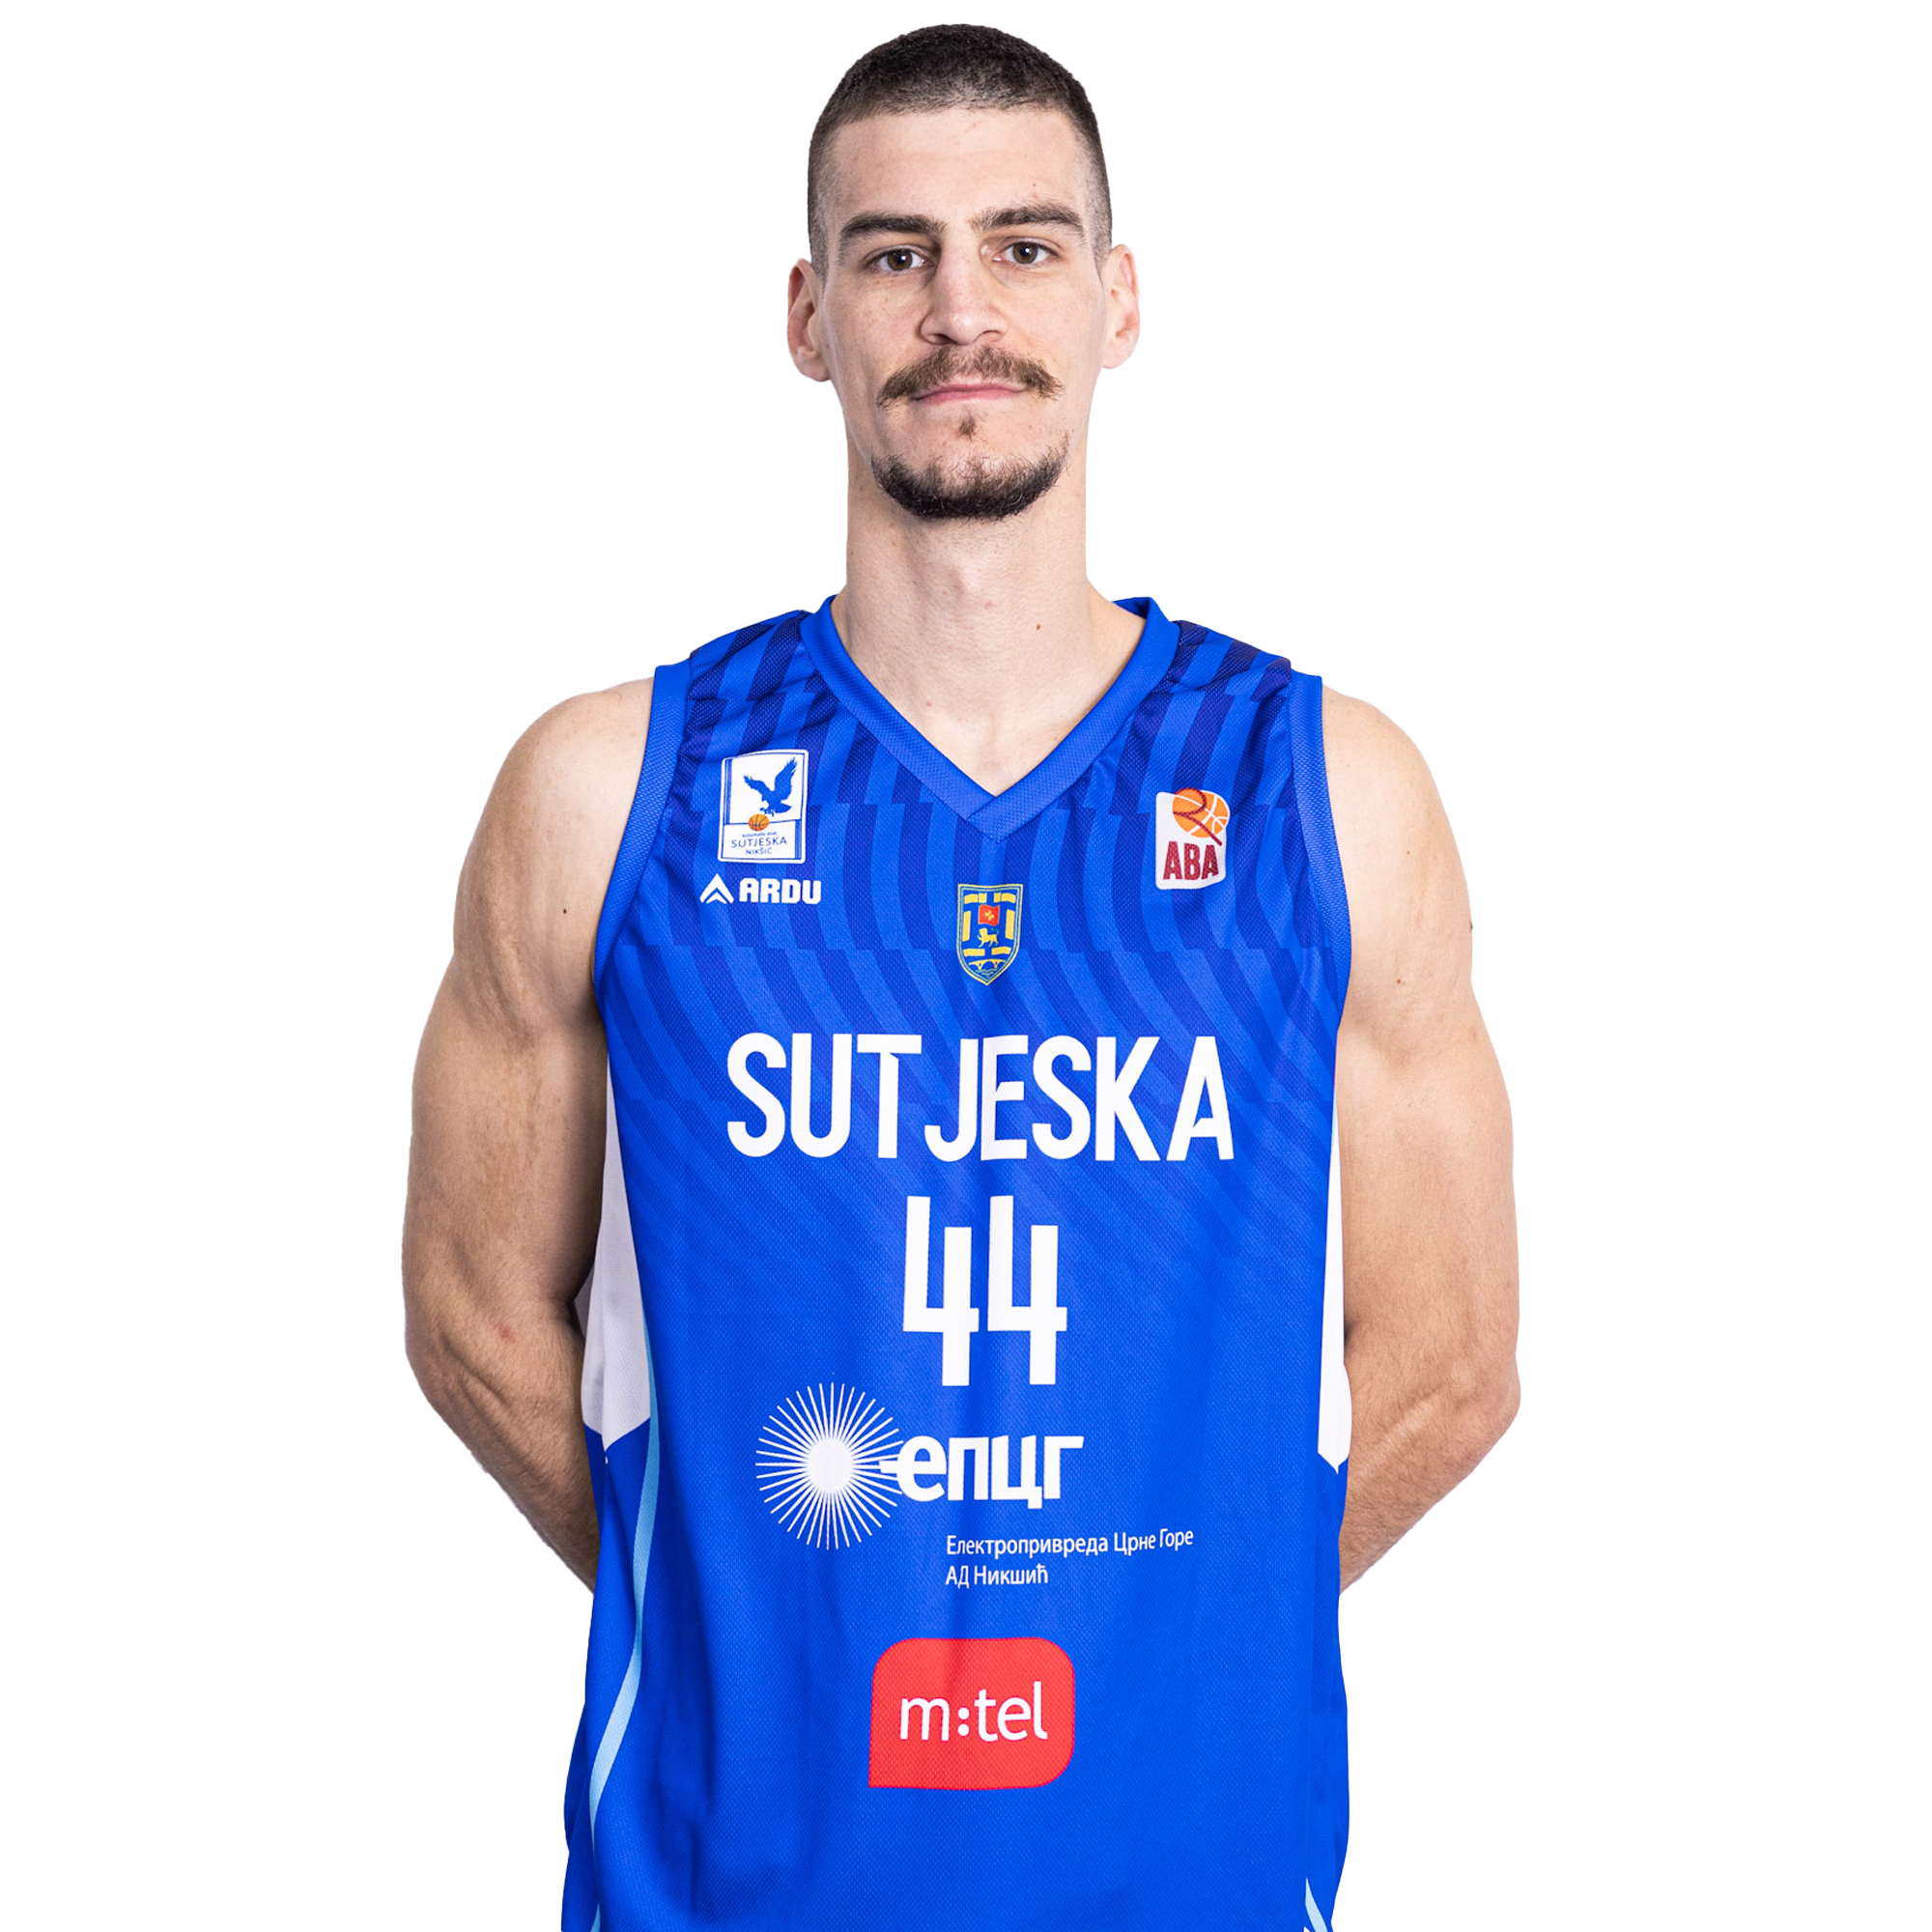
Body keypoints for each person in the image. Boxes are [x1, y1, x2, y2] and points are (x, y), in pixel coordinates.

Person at [404, 23, 1518, 1931]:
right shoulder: (611, 790)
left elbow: (1455, 1362)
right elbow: (468, 1318)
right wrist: (754, 1620)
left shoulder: (1327, 791)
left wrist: (1175, 1625)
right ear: (808, 315)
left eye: (1023, 245)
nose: (962, 311)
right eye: (895, 251)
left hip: (1186, 1887)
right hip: (722, 1889)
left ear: (1116, 298)